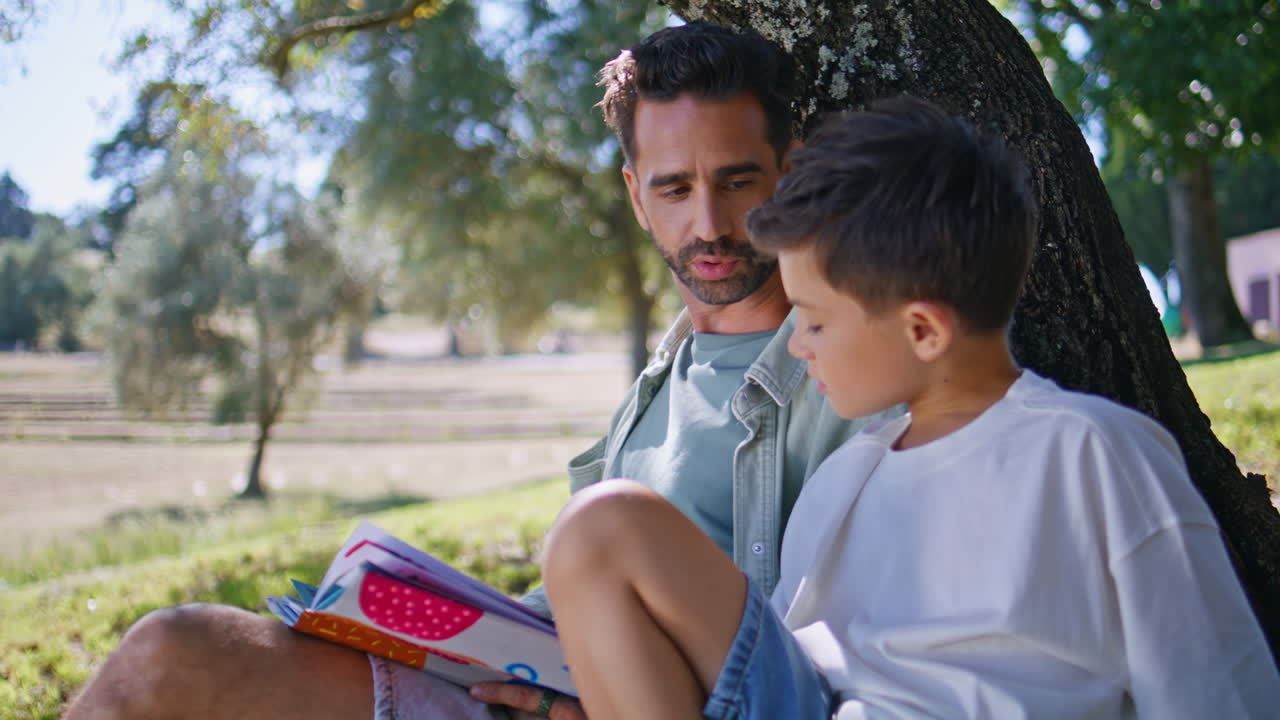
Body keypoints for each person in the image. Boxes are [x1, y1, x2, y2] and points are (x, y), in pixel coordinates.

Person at [64, 22, 886, 720]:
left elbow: (828, 651)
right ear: (637, 197)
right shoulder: (664, 376)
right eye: (674, 188)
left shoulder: (851, 367)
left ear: (792, 168)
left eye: (737, 180)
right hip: (531, 691)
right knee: (170, 655)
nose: (706, 223)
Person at [539, 97, 1280, 719]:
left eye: (816, 322)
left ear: (923, 329)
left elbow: (1213, 688)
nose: (798, 348)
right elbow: (787, 679)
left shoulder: (1093, 453)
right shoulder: (845, 481)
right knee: (601, 526)